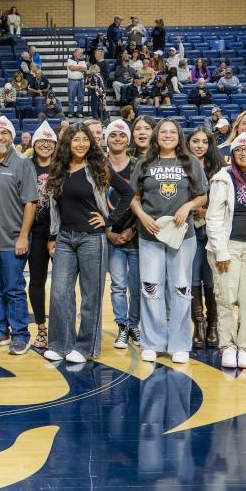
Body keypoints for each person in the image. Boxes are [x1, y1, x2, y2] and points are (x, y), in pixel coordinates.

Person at [42, 123, 132, 363]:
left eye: (85, 140)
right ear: (67, 143)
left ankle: (86, 348)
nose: (81, 144)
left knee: (91, 296)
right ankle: (61, 345)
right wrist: (52, 236)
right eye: (76, 140)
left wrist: (110, 220)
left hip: (92, 238)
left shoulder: (98, 167)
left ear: (91, 143)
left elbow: (127, 193)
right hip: (64, 238)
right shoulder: (58, 169)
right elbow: (54, 207)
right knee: (60, 293)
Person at [130, 118, 210, 363]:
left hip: (182, 236)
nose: (167, 135)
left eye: (172, 132)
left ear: (179, 136)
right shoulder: (144, 162)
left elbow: (203, 196)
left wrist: (188, 205)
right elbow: (133, 198)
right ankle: (152, 342)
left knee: (181, 289)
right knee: (151, 288)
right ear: (156, 136)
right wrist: (142, 216)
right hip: (150, 235)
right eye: (162, 132)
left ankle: (179, 344)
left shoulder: (190, 162)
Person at [205, 133, 246, 369]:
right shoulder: (223, 179)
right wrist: (220, 251)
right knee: (225, 298)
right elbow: (212, 218)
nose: (244, 153)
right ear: (232, 155)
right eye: (239, 150)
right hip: (228, 246)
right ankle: (228, 346)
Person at [0, 117, 39, 355]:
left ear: (11, 136)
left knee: (13, 289)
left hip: (13, 241)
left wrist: (23, 236)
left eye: (4, 133)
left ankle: (21, 334)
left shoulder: (22, 164)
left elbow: (31, 204)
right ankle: (0, 331)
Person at [104, 119, 141, 349]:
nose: (117, 139)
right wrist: (108, 232)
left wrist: (133, 228)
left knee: (137, 286)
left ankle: (135, 324)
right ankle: (122, 326)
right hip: (110, 237)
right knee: (118, 285)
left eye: (121, 135)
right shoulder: (98, 164)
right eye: (113, 135)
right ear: (106, 139)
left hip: (136, 236)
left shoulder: (138, 164)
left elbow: (145, 200)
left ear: (128, 139)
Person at [186, 126, 224, 348]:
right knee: (192, 279)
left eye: (204, 142)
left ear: (210, 146)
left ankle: (213, 325)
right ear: (188, 143)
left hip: (212, 232)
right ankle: (198, 326)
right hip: (188, 231)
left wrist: (207, 211)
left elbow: (227, 201)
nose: (199, 145)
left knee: (210, 280)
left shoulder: (219, 170)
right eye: (195, 141)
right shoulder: (180, 166)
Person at [26, 122, 57, 350]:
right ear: (34, 144)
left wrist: (55, 235)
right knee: (36, 281)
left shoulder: (63, 168)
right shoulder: (25, 167)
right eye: (41, 141)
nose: (45, 145)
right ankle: (41, 329)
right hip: (34, 233)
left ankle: (61, 329)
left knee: (63, 284)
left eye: (49, 141)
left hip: (59, 234)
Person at [66, 48, 87, 118]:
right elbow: (71, 68)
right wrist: (80, 68)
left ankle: (79, 112)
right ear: (74, 53)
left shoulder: (83, 60)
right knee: (71, 98)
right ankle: (71, 113)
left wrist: (77, 68)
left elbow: (85, 69)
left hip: (81, 81)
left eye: (81, 53)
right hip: (72, 81)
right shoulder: (70, 60)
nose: (81, 54)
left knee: (81, 98)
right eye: (79, 53)